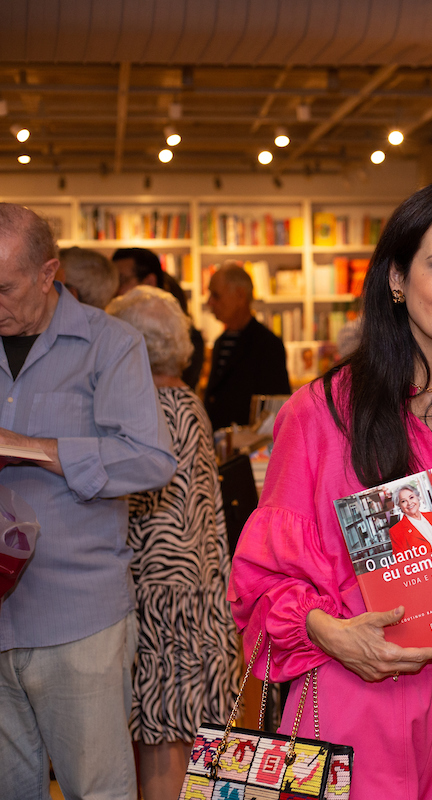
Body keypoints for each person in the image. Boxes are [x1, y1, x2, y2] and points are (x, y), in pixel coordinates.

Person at [228, 180, 432, 800]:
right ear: (396, 279)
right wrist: (326, 630)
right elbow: (262, 578)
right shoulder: (321, 414)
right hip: (347, 693)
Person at [0, 203, 176, 800]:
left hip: (78, 618)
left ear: (48, 273)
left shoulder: (110, 344)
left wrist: (26, 448)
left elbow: (149, 460)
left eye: (3, 287)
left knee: (95, 791)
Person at [106, 286, 241, 800]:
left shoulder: (152, 408)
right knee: (201, 744)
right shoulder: (187, 401)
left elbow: (145, 509)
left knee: (164, 745)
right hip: (200, 596)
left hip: (165, 602)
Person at [203, 263, 291, 429]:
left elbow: (275, 406)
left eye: (216, 295)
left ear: (240, 296)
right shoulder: (220, 342)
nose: (210, 302)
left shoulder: (267, 344)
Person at [112, 247, 205, 389]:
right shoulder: (114, 326)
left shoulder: (183, 333)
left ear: (149, 282)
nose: (115, 290)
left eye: (122, 280)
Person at [389, 484, 432, 553]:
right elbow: (402, 561)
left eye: (411, 497)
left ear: (417, 498)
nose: (409, 503)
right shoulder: (396, 531)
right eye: (403, 501)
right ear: (399, 505)